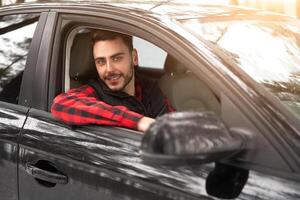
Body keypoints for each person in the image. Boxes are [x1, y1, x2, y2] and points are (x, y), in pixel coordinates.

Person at [51, 30, 174, 132]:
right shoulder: (94, 91)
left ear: (134, 58)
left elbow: (173, 123)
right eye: (101, 62)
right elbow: (61, 104)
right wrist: (140, 121)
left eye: (116, 58)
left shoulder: (149, 88)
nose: (109, 69)